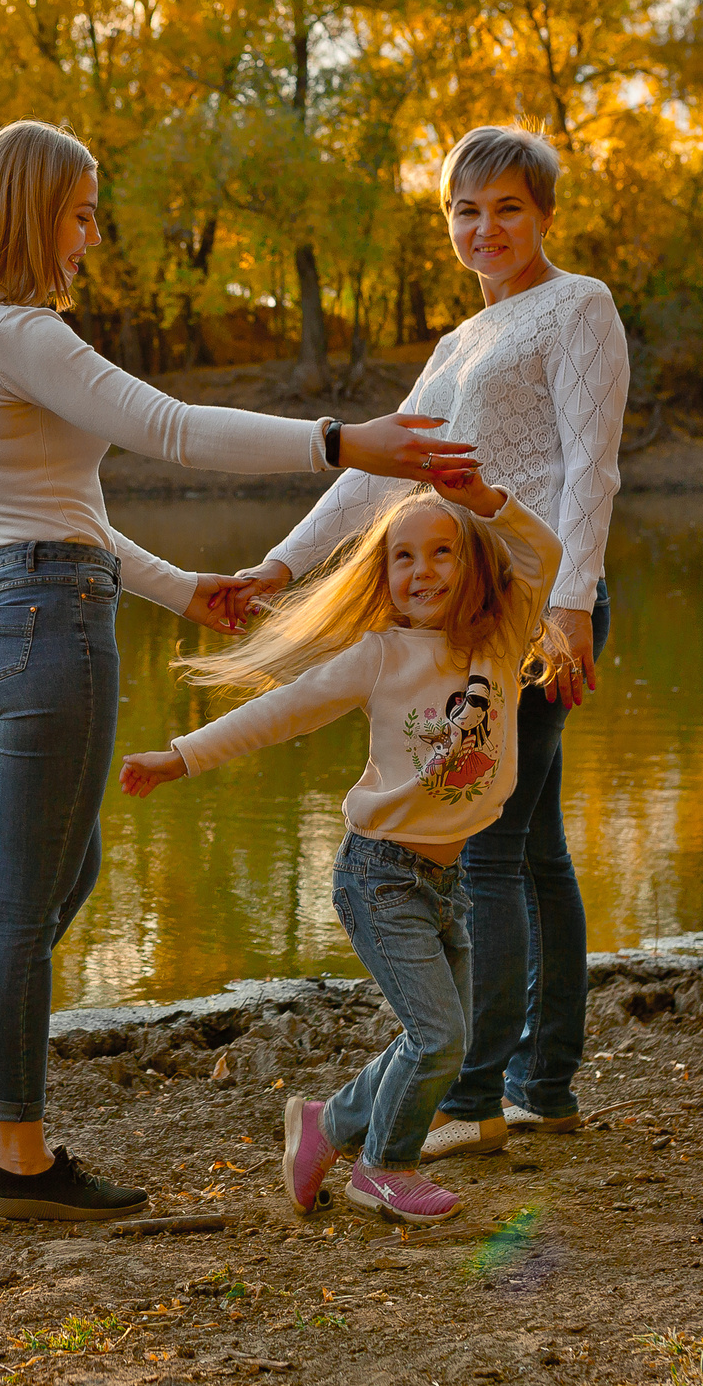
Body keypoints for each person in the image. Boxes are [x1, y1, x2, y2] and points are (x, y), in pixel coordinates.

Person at [0, 120, 476, 1224]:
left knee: (54, 881)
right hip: (48, 627)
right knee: (20, 906)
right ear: (30, 210)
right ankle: (17, 1161)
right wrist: (345, 442)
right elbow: (175, 428)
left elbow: (59, 512)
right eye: (81, 211)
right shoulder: (22, 335)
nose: (90, 236)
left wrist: (182, 588)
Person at [230, 125, 628, 1160]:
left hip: (532, 606)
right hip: (476, 613)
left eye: (506, 207)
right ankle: (541, 1086)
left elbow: (589, 468)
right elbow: (376, 474)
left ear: (542, 213)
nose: (484, 227)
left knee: (490, 852)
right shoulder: (459, 343)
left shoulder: (576, 306)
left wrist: (572, 603)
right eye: (465, 209)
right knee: (532, 851)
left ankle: (472, 1100)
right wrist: (278, 568)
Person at [120, 465, 563, 1223]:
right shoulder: (381, 655)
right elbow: (285, 710)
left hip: (445, 881)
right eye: (403, 557)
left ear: (476, 563)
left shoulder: (503, 634)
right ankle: (382, 1168)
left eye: (442, 552)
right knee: (438, 1036)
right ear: (383, 574)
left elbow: (543, 554)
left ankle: (328, 1124)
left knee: (440, 1040)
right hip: (380, 875)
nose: (422, 570)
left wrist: (483, 501)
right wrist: (180, 755)